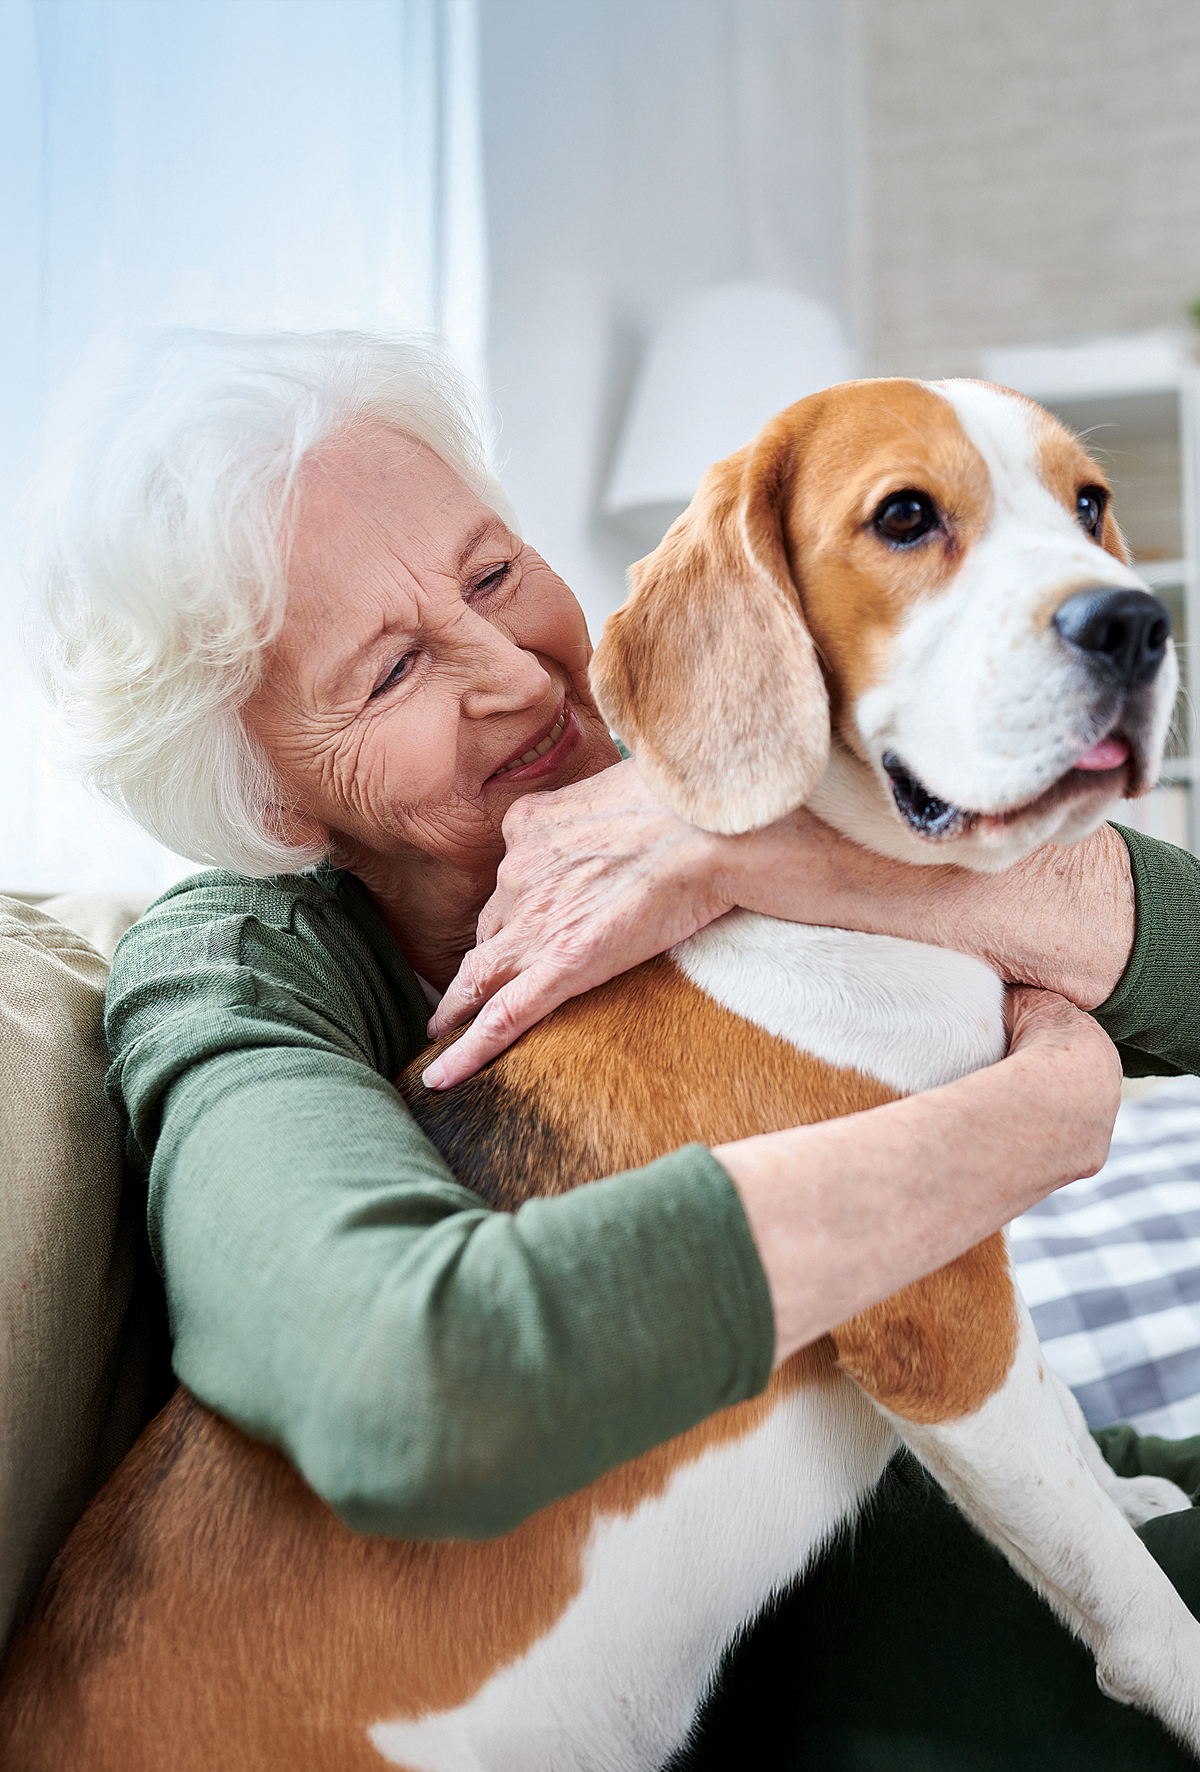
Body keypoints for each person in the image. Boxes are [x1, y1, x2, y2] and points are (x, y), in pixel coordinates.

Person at [33, 328, 1200, 1765]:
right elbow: (403, 1380)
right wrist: (1042, 1114)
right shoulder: (231, 969)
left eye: (492, 574)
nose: (513, 678)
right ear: (273, 796)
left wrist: (761, 860)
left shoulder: (728, 767)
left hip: (960, 1517)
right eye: (393, 667)